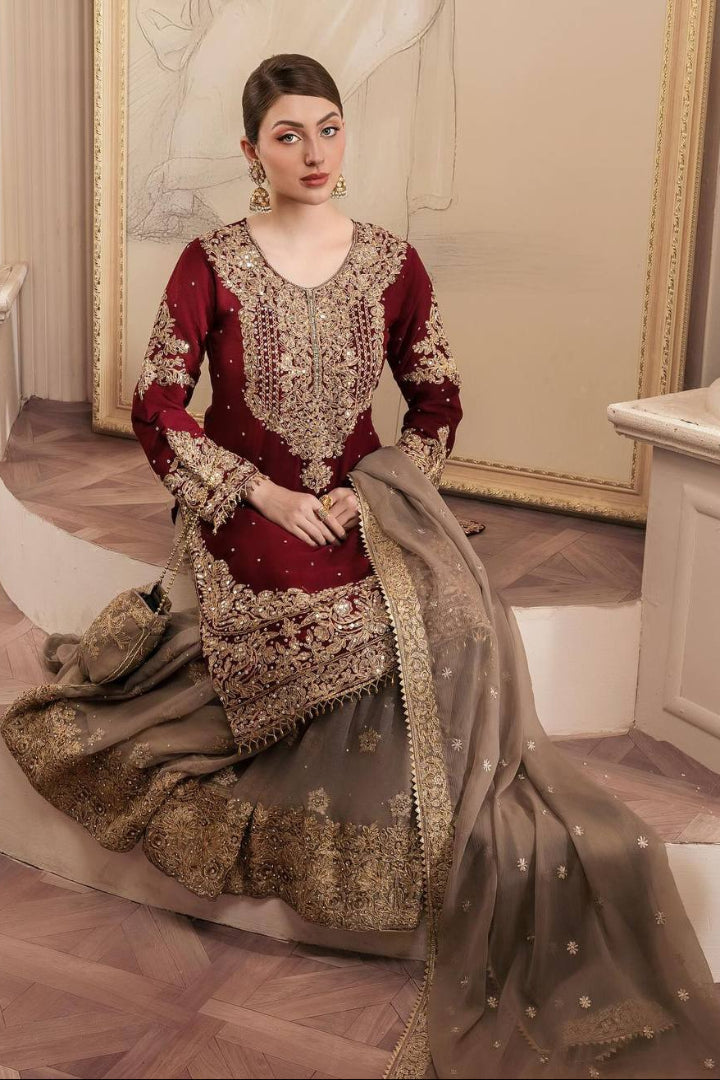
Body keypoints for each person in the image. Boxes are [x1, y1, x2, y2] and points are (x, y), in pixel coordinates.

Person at [4, 52, 720, 1080]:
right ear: (251, 151)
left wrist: (367, 487)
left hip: (361, 500)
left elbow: (437, 403)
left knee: (460, 628)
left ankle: (429, 843)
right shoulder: (210, 263)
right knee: (336, 631)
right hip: (246, 506)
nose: (314, 152)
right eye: (289, 134)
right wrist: (258, 493)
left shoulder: (393, 261)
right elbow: (157, 407)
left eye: (330, 128)